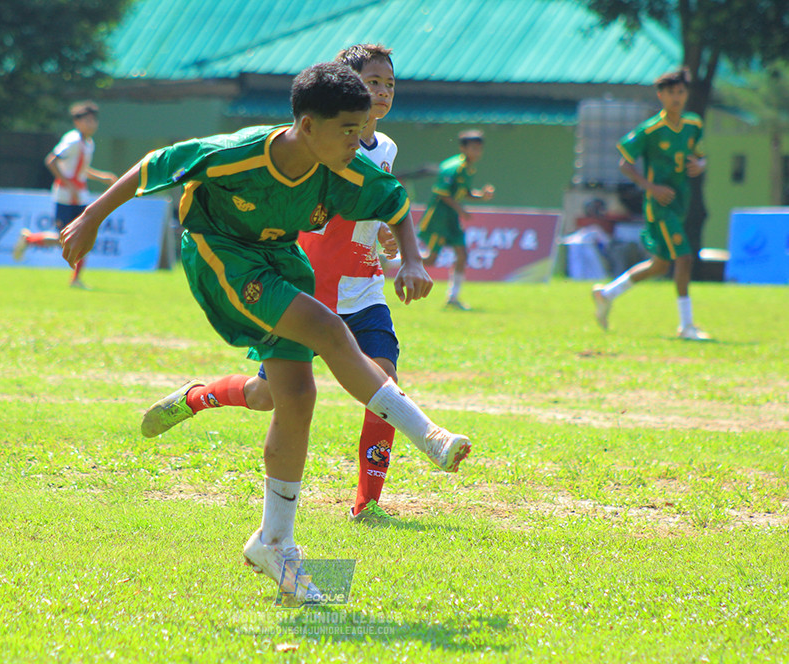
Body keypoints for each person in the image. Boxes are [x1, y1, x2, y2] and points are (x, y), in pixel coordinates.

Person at [60, 62, 471, 601]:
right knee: (327, 328)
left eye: (361, 129)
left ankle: (273, 542)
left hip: (280, 260)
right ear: (307, 125)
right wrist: (91, 217)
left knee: (293, 396)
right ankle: (429, 435)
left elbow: (394, 203)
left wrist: (412, 260)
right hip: (220, 254)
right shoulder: (237, 153)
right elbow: (154, 165)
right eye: (347, 130)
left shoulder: (345, 168)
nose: (357, 141)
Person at [140, 44, 408, 526]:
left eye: (389, 84)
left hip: (362, 289)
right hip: (309, 291)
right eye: (372, 83)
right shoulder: (314, 142)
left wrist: (388, 236)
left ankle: (367, 502)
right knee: (268, 397)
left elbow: (375, 204)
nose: (382, 92)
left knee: (385, 384)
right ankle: (198, 397)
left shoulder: (384, 148)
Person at [592, 67, 710, 340]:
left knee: (660, 266)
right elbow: (625, 163)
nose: (676, 98)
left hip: (680, 201)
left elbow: (700, 155)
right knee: (684, 257)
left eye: (680, 92)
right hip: (659, 205)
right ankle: (686, 326)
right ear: (661, 96)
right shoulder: (650, 129)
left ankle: (606, 293)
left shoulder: (693, 124)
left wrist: (701, 164)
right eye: (671, 93)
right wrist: (651, 187)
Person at [12, 101, 117, 288]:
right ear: (77, 122)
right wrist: (68, 184)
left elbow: (81, 169)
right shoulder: (73, 140)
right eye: (87, 121)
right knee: (66, 238)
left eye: (94, 120)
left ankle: (76, 279)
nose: (92, 124)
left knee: (84, 236)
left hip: (80, 195)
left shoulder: (88, 143)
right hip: (66, 197)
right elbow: (51, 160)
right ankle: (29, 239)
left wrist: (102, 177)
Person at [418, 129, 495, 310]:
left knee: (462, 254)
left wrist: (481, 195)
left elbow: (463, 192)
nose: (477, 152)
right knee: (430, 259)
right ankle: (389, 261)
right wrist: (461, 210)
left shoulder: (469, 168)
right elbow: (442, 193)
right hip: (440, 217)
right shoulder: (453, 167)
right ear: (463, 148)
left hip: (452, 217)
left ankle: (453, 298)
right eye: (473, 148)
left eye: (479, 148)